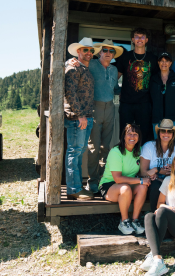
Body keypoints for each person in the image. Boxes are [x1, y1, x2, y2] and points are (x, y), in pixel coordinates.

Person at [66, 39, 123, 194]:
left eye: (111, 51)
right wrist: (68, 61)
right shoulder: (91, 65)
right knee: (93, 147)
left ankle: (103, 182)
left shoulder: (113, 69)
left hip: (110, 108)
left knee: (106, 147)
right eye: (105, 50)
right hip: (93, 109)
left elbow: (115, 88)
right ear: (100, 52)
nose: (108, 53)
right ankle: (91, 183)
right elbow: (74, 65)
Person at [64, 37, 100, 200]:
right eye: (85, 50)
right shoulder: (72, 68)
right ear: (78, 51)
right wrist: (80, 115)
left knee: (78, 153)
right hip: (77, 118)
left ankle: (77, 188)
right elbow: (70, 94)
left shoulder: (84, 68)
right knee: (74, 152)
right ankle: (73, 189)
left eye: (91, 50)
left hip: (86, 117)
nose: (89, 53)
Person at [99, 124, 149, 235]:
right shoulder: (116, 152)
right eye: (129, 134)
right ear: (123, 136)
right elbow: (117, 178)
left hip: (128, 183)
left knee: (143, 187)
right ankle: (124, 221)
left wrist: (151, 173)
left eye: (135, 134)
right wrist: (140, 180)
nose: (132, 136)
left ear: (139, 137)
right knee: (126, 188)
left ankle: (135, 220)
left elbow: (141, 171)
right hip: (110, 185)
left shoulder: (139, 151)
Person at [116, 28, 159, 144]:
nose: (139, 39)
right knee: (125, 133)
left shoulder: (153, 59)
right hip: (126, 103)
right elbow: (115, 77)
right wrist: (117, 90)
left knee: (145, 134)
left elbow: (158, 81)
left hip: (145, 103)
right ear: (132, 40)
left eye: (142, 37)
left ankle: (143, 160)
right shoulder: (125, 57)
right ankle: (125, 158)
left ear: (146, 40)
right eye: (137, 36)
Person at [140, 119, 175, 212]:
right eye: (163, 131)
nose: (166, 134)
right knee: (156, 186)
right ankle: (155, 216)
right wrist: (157, 170)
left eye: (169, 131)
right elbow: (143, 172)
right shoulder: (149, 146)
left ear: (173, 134)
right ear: (159, 133)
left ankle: (172, 219)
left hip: (171, 180)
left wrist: (161, 170)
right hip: (153, 183)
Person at [150, 52, 175, 142]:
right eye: (161, 61)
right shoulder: (153, 79)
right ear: (158, 63)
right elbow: (149, 100)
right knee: (158, 147)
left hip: (174, 120)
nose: (164, 63)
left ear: (171, 63)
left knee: (174, 147)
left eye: (167, 61)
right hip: (157, 120)